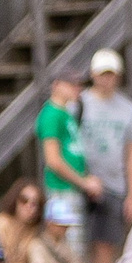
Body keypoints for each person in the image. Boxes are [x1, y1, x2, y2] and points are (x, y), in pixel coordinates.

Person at [76, 48, 132, 263]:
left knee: (106, 244)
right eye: (102, 74)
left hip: (113, 184)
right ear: (93, 75)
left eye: (111, 74)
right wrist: (82, 178)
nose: (106, 79)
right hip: (79, 182)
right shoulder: (78, 104)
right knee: (75, 241)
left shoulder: (128, 109)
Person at [36, 69, 95, 234]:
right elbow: (53, 160)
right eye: (71, 84)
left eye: (79, 85)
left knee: (77, 241)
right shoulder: (52, 114)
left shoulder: (66, 113)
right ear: (56, 85)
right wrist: (84, 183)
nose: (77, 89)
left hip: (72, 188)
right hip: (61, 189)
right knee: (68, 240)